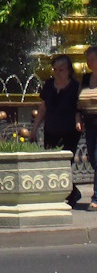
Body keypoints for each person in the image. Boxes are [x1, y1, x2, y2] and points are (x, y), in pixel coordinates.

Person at [41, 54, 84, 207]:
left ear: (69, 71)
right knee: (51, 163)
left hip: (69, 131)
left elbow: (78, 108)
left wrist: (79, 120)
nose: (58, 72)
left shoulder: (75, 87)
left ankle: (69, 194)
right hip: (51, 129)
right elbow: (43, 108)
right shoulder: (49, 85)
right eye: (55, 69)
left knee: (65, 164)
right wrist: (33, 129)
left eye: (61, 69)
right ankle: (71, 192)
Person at [85, 46, 97, 206]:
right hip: (90, 124)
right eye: (88, 60)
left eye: (93, 59)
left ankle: (96, 198)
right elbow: (78, 102)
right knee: (93, 159)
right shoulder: (85, 79)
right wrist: (77, 118)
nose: (90, 62)